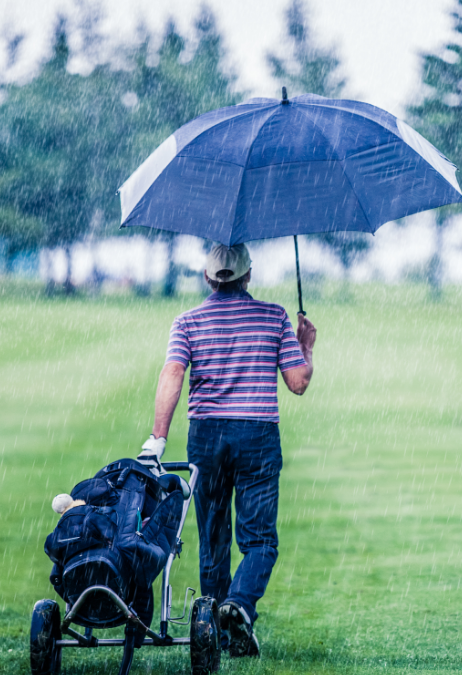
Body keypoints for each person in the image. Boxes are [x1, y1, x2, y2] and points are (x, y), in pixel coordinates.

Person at [138, 242, 315, 658]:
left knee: (213, 538)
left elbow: (173, 374)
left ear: (207, 277)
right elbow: (298, 382)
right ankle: (240, 604)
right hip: (257, 436)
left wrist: (158, 438)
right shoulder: (274, 317)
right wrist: (305, 344)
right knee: (259, 542)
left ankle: (213, 627)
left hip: (207, 437)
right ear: (248, 276)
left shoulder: (187, 322)